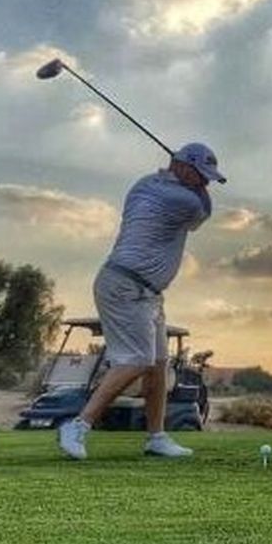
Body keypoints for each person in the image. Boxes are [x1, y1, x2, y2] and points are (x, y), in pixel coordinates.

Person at [58, 142, 225, 460]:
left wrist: (187, 174)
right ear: (181, 166)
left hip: (145, 292)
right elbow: (204, 211)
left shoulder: (145, 184)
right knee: (137, 360)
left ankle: (156, 437)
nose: (205, 182)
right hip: (127, 287)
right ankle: (78, 425)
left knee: (159, 365)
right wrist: (199, 187)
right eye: (201, 175)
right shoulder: (184, 200)